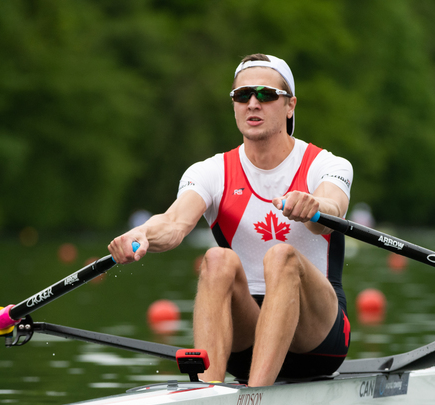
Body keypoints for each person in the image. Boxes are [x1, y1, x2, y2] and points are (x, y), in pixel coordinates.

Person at [108, 54, 353, 387]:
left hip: (318, 341)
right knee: (216, 259)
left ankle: (255, 398)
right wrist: (141, 234)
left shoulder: (327, 165)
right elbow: (174, 223)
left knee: (281, 256)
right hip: (245, 339)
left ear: (290, 105)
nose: (253, 103)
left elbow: (332, 211)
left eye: (266, 94)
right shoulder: (210, 172)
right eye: (242, 95)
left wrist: (315, 207)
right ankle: (208, 391)